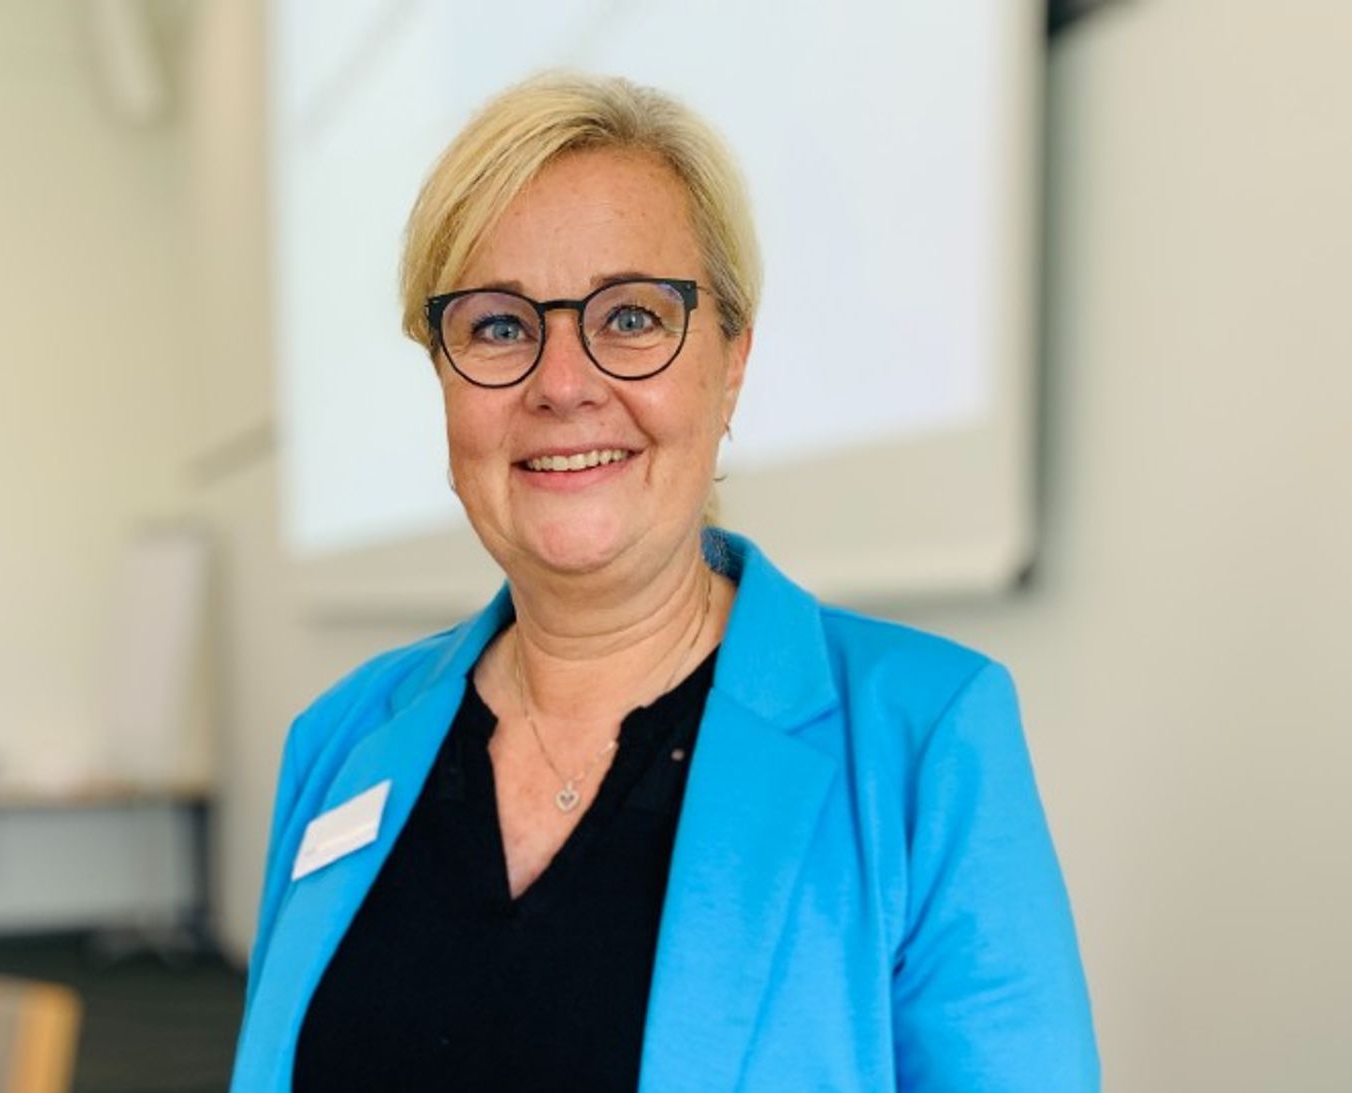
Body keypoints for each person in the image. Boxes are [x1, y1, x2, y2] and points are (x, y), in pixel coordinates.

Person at [232, 73, 1099, 1091]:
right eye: (499, 326)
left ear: (731, 364)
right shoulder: (338, 741)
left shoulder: (924, 743)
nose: (563, 384)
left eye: (633, 316)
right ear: (445, 379)